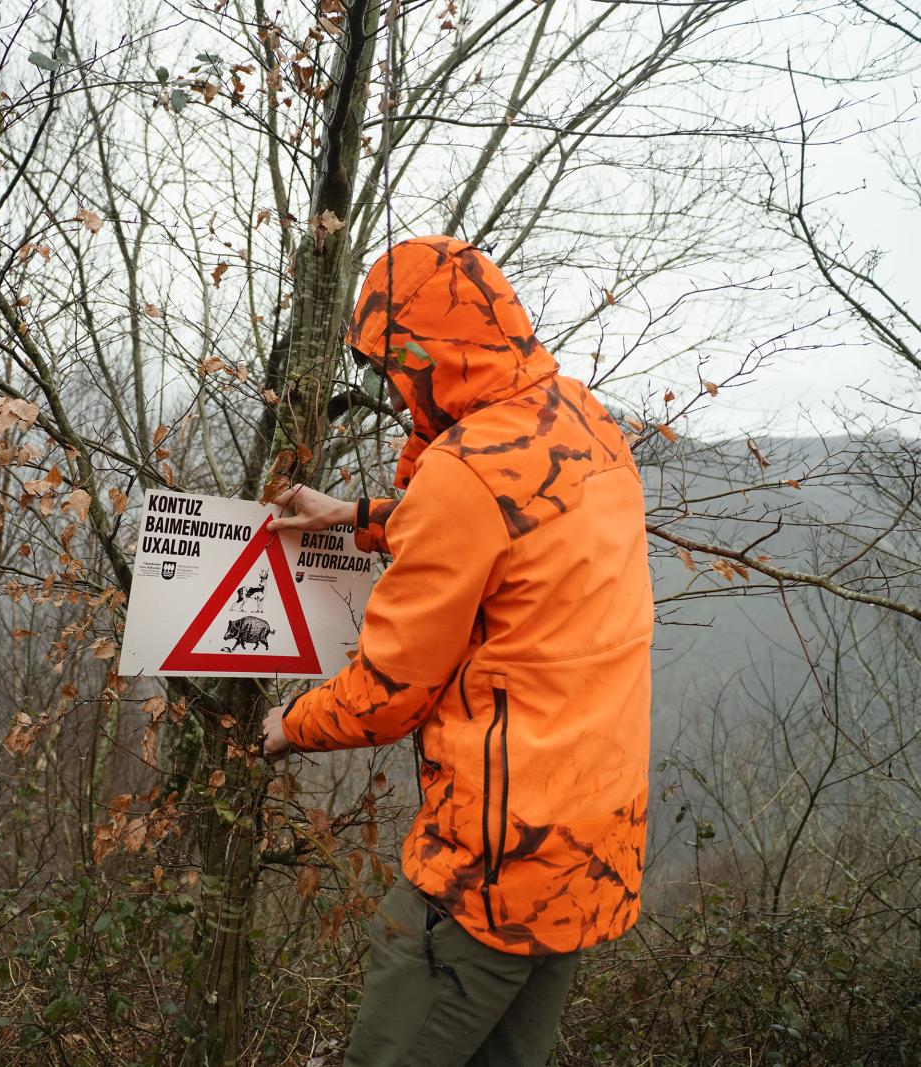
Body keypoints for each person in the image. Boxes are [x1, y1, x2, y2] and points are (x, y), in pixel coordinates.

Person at [261, 236, 654, 1067]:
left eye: (392, 370)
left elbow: (387, 693)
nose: (390, 389)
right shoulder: (586, 421)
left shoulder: (462, 472)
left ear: (422, 359)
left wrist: (291, 724)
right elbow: (502, 524)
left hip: (489, 872)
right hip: (589, 850)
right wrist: (361, 515)